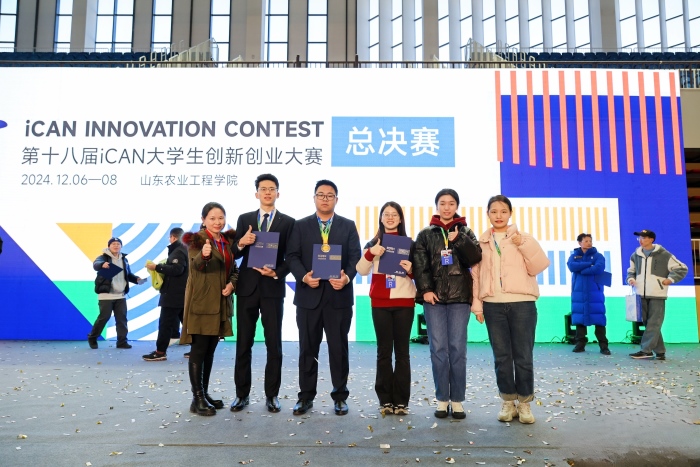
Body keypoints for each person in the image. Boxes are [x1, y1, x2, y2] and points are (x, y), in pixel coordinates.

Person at [471, 195, 550, 424]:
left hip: (522, 304)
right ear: (487, 214)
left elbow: (539, 266)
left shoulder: (524, 238)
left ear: (510, 213)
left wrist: (521, 243)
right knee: (502, 357)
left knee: (523, 356)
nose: (499, 216)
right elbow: (476, 276)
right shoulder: (481, 243)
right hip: (492, 305)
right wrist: (477, 306)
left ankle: (524, 403)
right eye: (494, 211)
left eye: (503, 211)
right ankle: (507, 400)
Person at [287, 179, 361, 416]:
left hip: (338, 298)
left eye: (330, 195)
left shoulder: (348, 226)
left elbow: (355, 257)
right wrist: (304, 277)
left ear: (336, 199)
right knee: (307, 349)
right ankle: (305, 397)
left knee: (338, 349)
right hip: (309, 297)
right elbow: (292, 256)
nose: (325, 199)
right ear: (314, 198)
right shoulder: (300, 225)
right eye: (321, 195)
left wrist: (347, 278)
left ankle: (340, 396)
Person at [413, 189, 482, 420]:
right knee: (438, 349)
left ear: (456, 206)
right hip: (433, 299)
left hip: (460, 297)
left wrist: (458, 240)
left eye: (451, 203)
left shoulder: (465, 231)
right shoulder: (425, 234)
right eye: (442, 203)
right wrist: (426, 290)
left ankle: (458, 400)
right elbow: (420, 264)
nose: (446, 207)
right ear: (436, 206)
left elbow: (475, 258)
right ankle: (442, 398)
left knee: (457, 349)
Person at [230, 174, 294, 414]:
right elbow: (235, 253)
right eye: (263, 189)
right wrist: (242, 242)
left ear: (278, 193)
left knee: (273, 344)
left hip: (272, 289)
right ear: (256, 193)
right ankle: (241, 394)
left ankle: (272, 395)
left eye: (272, 189)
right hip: (247, 289)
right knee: (243, 343)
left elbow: (292, 257)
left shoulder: (288, 222)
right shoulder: (245, 219)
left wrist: (277, 272)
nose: (268, 192)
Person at [356, 202, 416, 416]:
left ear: (400, 219)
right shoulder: (372, 243)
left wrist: (411, 270)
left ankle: (401, 401)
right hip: (380, 303)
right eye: (386, 214)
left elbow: (419, 274)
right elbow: (361, 270)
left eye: (394, 214)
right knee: (383, 352)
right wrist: (371, 253)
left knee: (402, 353)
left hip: (404, 302)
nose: (390, 217)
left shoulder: (410, 244)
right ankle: (385, 400)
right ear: (381, 218)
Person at [181, 202, 239, 416]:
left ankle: (203, 394)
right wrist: (204, 256)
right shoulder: (197, 240)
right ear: (203, 220)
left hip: (221, 303)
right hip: (202, 303)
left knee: (210, 351)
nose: (217, 222)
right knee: (199, 350)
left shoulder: (226, 241)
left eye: (221, 217)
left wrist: (232, 284)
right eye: (212, 218)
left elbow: (234, 269)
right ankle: (197, 398)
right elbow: (195, 266)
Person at [627, 229, 687, 360]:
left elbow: (682, 268)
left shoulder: (664, 254)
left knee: (654, 323)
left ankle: (646, 350)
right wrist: (631, 279)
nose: (641, 240)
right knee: (650, 324)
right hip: (640, 294)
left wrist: (670, 279)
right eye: (639, 238)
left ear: (651, 239)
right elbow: (631, 271)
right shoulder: (635, 255)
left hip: (657, 294)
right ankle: (660, 352)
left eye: (644, 238)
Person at [88, 237, 145, 349]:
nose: (116, 246)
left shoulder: (124, 259)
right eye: (113, 244)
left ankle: (122, 342)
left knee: (122, 319)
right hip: (106, 294)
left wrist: (137, 279)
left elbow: (128, 274)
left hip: (120, 295)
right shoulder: (103, 257)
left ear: (121, 246)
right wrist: (102, 264)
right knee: (104, 317)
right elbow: (96, 264)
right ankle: (92, 337)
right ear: (109, 246)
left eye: (118, 244)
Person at [143, 227, 189, 361]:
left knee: (165, 324)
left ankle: (160, 352)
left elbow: (177, 269)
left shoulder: (178, 251)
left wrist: (156, 267)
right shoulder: (185, 249)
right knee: (188, 324)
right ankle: (198, 350)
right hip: (182, 293)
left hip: (173, 295)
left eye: (170, 237)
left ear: (173, 237)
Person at [567, 233, 610, 355]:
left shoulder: (598, 256)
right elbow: (572, 266)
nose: (589, 243)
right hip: (579, 293)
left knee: (599, 319)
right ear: (579, 243)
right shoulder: (574, 256)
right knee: (580, 319)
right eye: (586, 241)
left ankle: (603, 346)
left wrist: (582, 269)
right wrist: (589, 264)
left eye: (590, 241)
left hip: (595, 292)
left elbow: (599, 268)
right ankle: (580, 344)